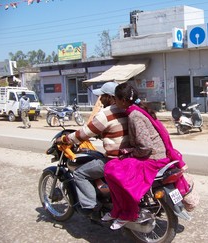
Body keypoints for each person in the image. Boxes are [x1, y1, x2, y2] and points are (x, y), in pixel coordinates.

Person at [102, 82, 190, 230]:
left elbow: (146, 146)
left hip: (154, 159)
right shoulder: (138, 110)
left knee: (111, 170)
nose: (115, 103)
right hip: (156, 155)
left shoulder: (134, 115)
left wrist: (130, 152)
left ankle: (127, 212)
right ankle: (117, 210)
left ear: (123, 101)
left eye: (116, 99)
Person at [56, 81, 129, 218]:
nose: (99, 99)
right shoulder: (126, 110)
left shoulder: (106, 114)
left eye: (101, 96)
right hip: (130, 157)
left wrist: (65, 139)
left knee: (79, 173)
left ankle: (91, 206)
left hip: (115, 159)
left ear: (109, 97)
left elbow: (84, 133)